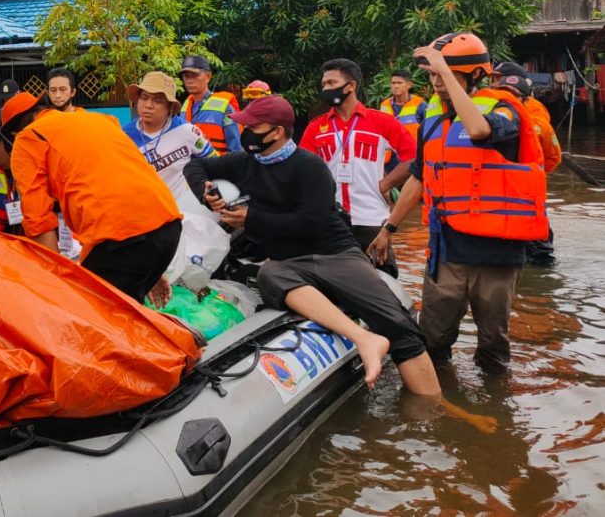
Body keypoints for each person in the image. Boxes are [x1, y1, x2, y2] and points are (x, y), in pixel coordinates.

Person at [184, 95, 441, 394]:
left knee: (398, 324)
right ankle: (363, 338)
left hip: (336, 255)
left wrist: (251, 219)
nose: (246, 132)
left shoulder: (310, 167)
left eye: (254, 126)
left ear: (277, 132)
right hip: (290, 264)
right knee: (269, 275)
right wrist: (206, 192)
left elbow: (310, 223)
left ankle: (432, 408)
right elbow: (196, 166)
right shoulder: (244, 163)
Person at [370, 33, 548, 375]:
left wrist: (446, 73)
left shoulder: (504, 111)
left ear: (476, 75)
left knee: (493, 347)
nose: (437, 83)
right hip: (448, 249)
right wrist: (388, 229)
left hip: (497, 252)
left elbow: (480, 131)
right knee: (433, 338)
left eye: (445, 74)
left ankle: (498, 414)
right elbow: (419, 179)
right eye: (433, 76)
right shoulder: (433, 122)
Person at [0, 91, 182, 301]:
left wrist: (59, 284)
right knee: (128, 320)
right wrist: (149, 268)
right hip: (167, 227)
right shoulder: (98, 120)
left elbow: (38, 221)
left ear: (13, 134)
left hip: (121, 239)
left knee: (93, 317)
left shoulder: (28, 138)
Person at [299, 58, 415, 277]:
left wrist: (386, 184)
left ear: (351, 85)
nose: (326, 88)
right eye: (324, 84)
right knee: (332, 282)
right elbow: (303, 170)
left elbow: (414, 157)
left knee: (382, 282)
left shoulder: (382, 122)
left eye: (332, 83)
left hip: (371, 219)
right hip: (330, 220)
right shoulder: (317, 127)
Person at [492, 61, 561, 266]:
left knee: (539, 253)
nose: (494, 83)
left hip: (525, 192)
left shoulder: (536, 118)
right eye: (494, 78)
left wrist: (530, 175)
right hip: (497, 191)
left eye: (498, 78)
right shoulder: (488, 105)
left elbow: (552, 157)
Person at [123, 71, 215, 195]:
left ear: (170, 107)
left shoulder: (186, 131)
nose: (149, 105)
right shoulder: (123, 136)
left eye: (158, 100)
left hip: (183, 211)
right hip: (143, 210)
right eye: (144, 98)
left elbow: (215, 163)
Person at [178, 55, 241, 153]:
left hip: (217, 166)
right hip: (190, 167)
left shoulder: (225, 107)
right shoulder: (184, 107)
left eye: (195, 75)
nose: (189, 80)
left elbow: (236, 148)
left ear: (208, 76)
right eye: (186, 76)